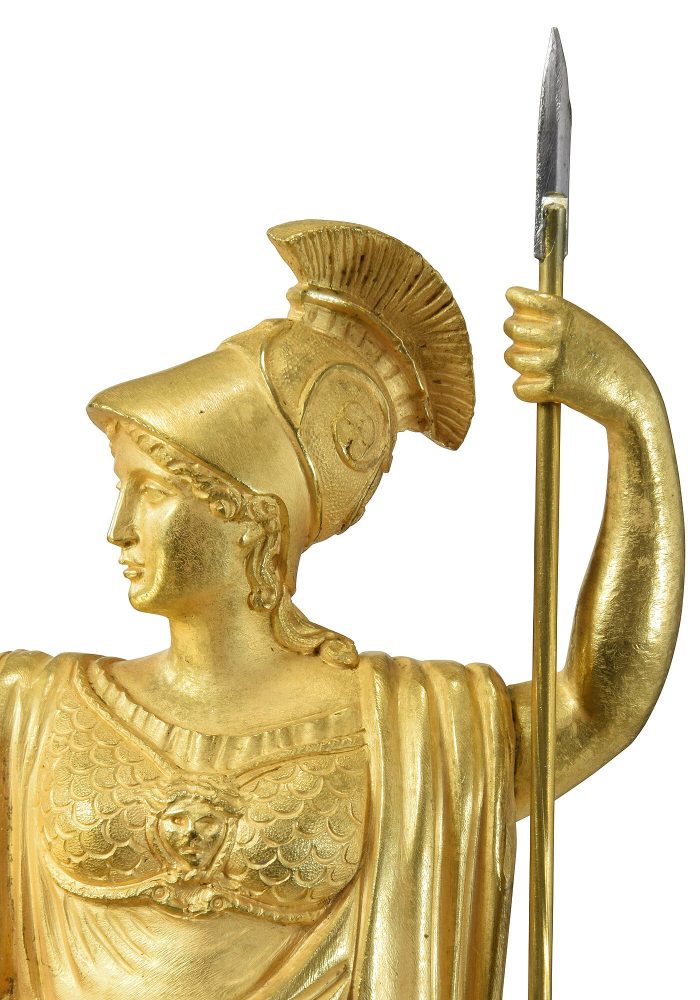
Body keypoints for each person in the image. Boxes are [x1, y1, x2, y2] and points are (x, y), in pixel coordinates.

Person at [0, 220, 683, 1000]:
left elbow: (596, 704)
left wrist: (633, 416)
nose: (119, 527)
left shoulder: (412, 729)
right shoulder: (29, 708)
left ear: (250, 519)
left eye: (152, 492)